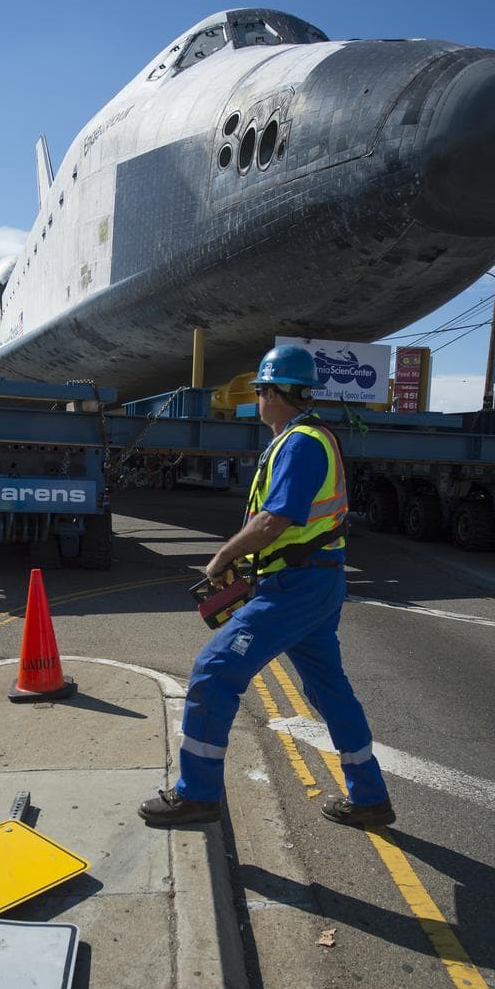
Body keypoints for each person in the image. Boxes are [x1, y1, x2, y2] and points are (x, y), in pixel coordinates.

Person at [139, 343, 395, 830]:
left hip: (295, 585)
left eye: (259, 391)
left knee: (214, 672)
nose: (257, 400)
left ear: (274, 392)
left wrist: (223, 557)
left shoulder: (300, 443)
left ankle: (198, 795)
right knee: (329, 691)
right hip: (312, 581)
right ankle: (370, 797)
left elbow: (277, 519)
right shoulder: (303, 439)